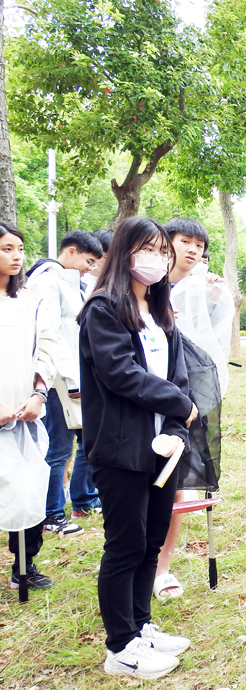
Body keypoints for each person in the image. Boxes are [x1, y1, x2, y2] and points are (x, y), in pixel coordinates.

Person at [78, 216, 198, 679]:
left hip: (161, 449)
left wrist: (177, 427)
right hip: (120, 450)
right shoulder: (104, 310)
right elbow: (120, 373)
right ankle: (120, 646)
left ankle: (141, 626)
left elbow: (178, 377)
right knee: (124, 545)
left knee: (150, 543)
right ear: (125, 252)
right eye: (147, 249)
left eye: (162, 251)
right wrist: (180, 403)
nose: (158, 258)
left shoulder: (161, 314)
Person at [153, 216, 230, 599]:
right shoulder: (144, 284)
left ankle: (162, 567)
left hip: (185, 401)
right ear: (166, 243)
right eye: (185, 241)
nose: (193, 250)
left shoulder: (205, 289)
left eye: (199, 244)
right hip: (142, 400)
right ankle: (136, 561)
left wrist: (211, 293)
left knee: (179, 486)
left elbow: (211, 338)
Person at [26, 229, 103, 534]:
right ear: (71, 251)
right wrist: (69, 380)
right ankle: (51, 514)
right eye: (89, 260)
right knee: (57, 448)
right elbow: (51, 337)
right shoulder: (47, 280)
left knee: (79, 443)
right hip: (56, 380)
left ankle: (74, 502)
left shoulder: (70, 281)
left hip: (72, 377)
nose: (90, 267)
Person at [0, 222, 57, 590]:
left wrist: (39, 394)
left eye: (20, 248)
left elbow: (48, 348)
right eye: (7, 249)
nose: (17, 256)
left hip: (23, 415)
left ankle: (24, 563)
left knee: (29, 486)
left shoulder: (32, 302)